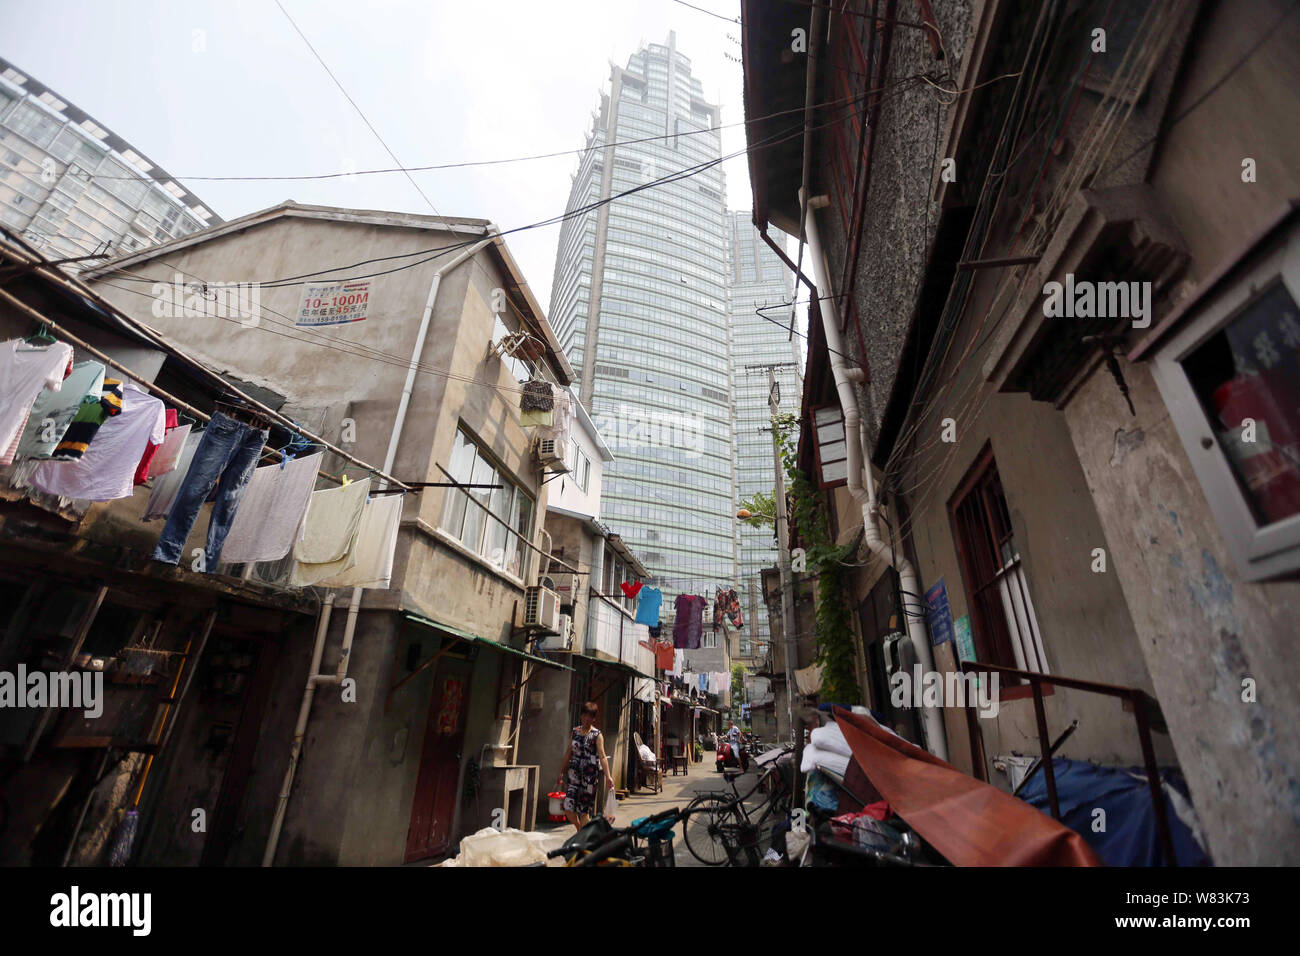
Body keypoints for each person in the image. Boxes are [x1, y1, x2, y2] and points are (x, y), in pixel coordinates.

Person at [557, 701, 615, 831]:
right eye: (584, 715)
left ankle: (584, 838)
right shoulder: (575, 732)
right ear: (581, 716)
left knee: (584, 811)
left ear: (594, 718)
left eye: (590, 716)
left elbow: (603, 756)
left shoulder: (597, 735)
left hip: (589, 779)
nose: (586, 719)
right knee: (567, 807)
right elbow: (568, 753)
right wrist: (561, 772)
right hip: (573, 775)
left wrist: (608, 777)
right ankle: (580, 829)